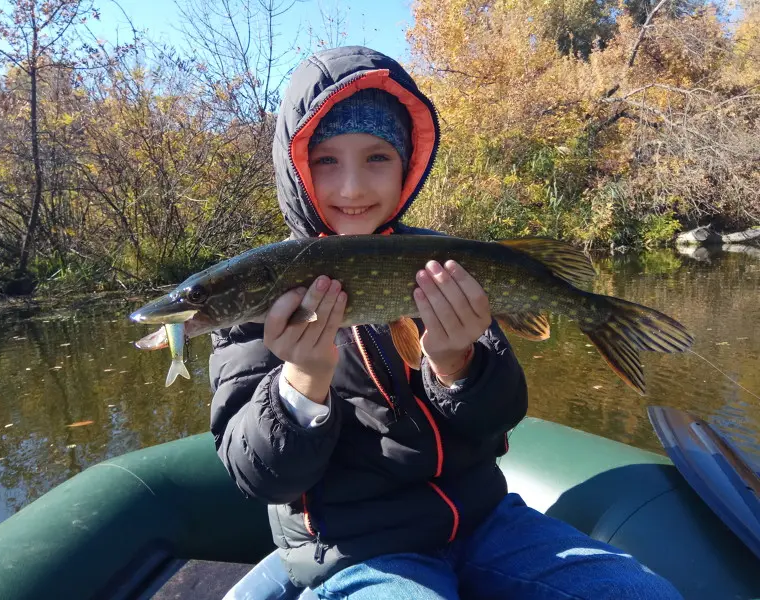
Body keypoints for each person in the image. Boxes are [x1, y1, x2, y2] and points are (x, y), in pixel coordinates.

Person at [209, 45, 683, 600]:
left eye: (377, 158)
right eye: (326, 160)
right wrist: (302, 380)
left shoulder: (442, 266)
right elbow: (262, 476)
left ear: (408, 164)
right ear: (296, 168)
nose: (352, 187)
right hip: (356, 548)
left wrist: (456, 363)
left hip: (487, 522)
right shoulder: (258, 302)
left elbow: (500, 417)